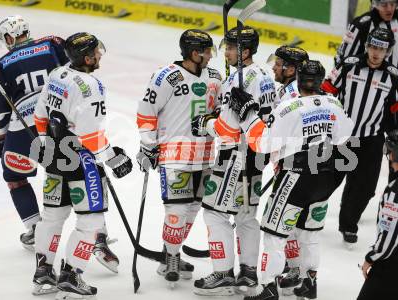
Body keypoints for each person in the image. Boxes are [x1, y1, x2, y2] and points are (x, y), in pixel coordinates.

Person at [227, 60, 354, 300]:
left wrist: (249, 117)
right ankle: (309, 282)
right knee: (310, 234)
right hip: (325, 178)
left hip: (295, 178)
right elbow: (344, 136)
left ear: (298, 79)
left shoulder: (289, 107)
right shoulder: (334, 103)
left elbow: (263, 143)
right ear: (320, 81)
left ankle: (268, 288)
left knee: (275, 236)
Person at [32, 32, 133, 297]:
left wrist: (45, 142)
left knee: (52, 218)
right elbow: (90, 136)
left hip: (55, 156)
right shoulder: (91, 86)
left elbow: (40, 115)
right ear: (87, 58)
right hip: (81, 161)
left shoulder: (57, 74)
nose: (100, 55)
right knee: (91, 220)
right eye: (96, 52)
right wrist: (114, 158)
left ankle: (42, 274)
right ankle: (71, 275)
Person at [191, 25, 275, 296]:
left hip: (234, 156)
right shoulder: (264, 76)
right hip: (257, 156)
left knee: (214, 213)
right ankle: (248, 274)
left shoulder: (240, 78)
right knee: (247, 216)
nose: (224, 51)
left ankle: (224, 272)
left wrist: (207, 123)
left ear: (245, 51)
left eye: (229, 47)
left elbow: (227, 128)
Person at [136, 29, 221, 287]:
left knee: (193, 208)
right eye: (207, 51)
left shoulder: (216, 77)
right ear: (195, 53)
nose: (210, 56)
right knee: (176, 209)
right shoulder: (166, 77)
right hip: (174, 155)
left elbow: (222, 111)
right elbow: (146, 112)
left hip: (205, 156)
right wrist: (148, 145)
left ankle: (170, 251)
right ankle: (172, 256)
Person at [321, 27, 398, 245]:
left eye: (381, 49)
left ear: (388, 51)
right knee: (325, 180)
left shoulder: (394, 75)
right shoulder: (349, 65)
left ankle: (348, 224)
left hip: (371, 139)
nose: (376, 53)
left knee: (365, 187)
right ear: (367, 45)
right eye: (373, 46)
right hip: (341, 137)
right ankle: (305, 216)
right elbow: (326, 91)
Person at [0, 15, 68, 250]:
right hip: (60, 120)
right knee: (77, 175)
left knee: (14, 177)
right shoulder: (53, 43)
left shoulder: (2, 64)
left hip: (23, 128)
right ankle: (97, 233)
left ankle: (35, 227)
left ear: (9, 36)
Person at [271, 45, 312, 294]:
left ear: (292, 69)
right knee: (294, 219)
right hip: (296, 164)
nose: (274, 67)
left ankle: (297, 271)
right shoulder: (291, 89)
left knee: (290, 220)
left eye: (279, 63)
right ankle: (298, 270)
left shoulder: (293, 95)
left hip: (295, 166)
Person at [357, 128, 398, 300]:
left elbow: (390, 236)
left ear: (393, 154)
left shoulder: (397, 190)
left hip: (395, 266)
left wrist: (371, 258)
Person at [335, 0, 398, 95]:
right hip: (362, 88)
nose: (389, 9)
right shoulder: (361, 24)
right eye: (384, 4)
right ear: (375, 4)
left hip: (396, 88)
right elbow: (343, 59)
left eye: (393, 4)